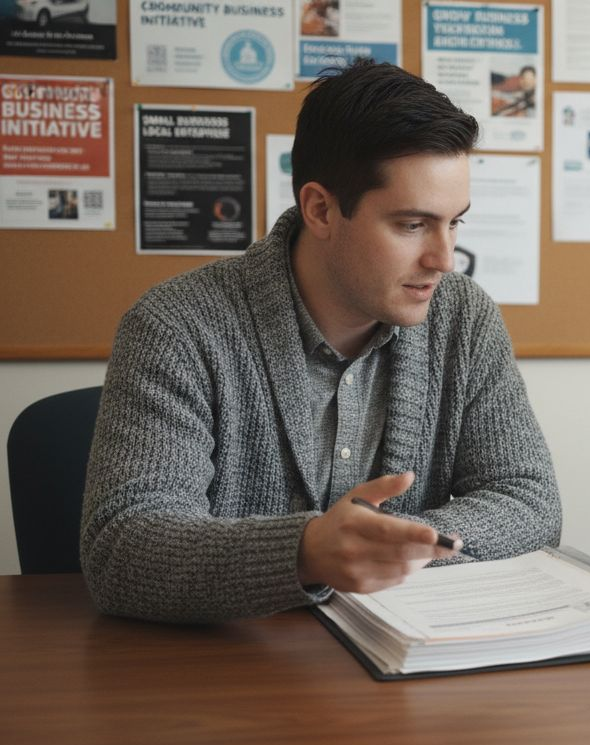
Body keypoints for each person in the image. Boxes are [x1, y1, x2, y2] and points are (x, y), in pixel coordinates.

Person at [82, 61, 561, 623]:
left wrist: (398, 550)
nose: (443, 259)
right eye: (412, 225)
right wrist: (306, 552)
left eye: (456, 222)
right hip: (228, 678)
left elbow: (529, 501)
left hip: (402, 668)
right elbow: (123, 547)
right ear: (320, 209)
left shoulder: (464, 318)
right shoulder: (177, 328)